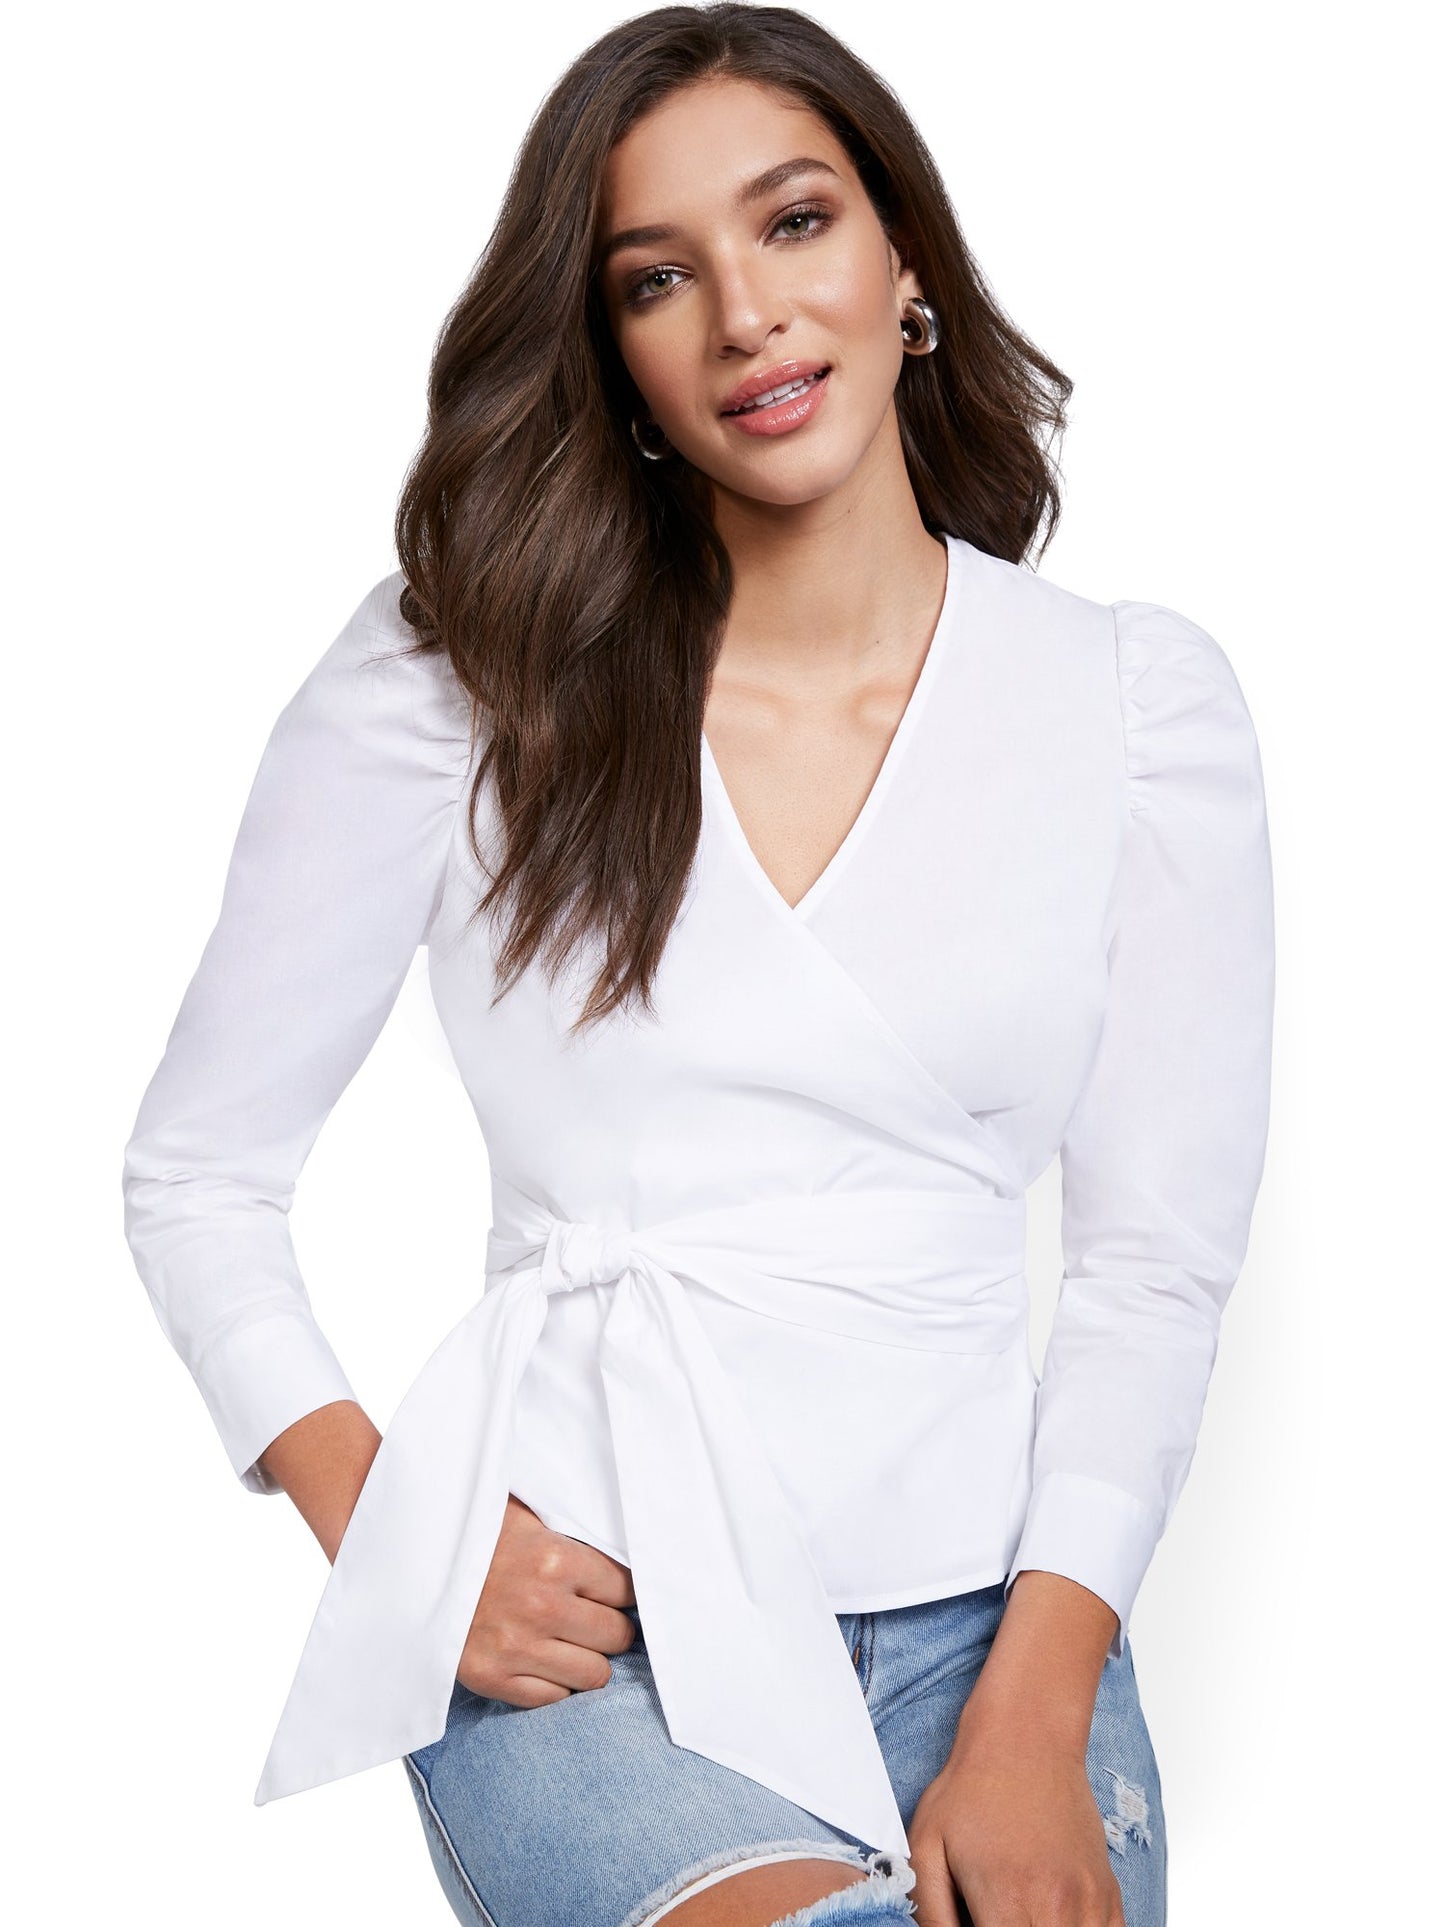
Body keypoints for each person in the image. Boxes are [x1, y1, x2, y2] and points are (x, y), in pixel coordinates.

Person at [119, 6, 1274, 1926]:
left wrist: (1030, 1716)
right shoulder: (460, 685)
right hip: (597, 1644)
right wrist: (395, 1531)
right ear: (618, 361)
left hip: (998, 1642)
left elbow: (1153, 1266)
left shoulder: (1131, 710)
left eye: (795, 222)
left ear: (904, 262)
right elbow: (197, 1177)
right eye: (658, 278)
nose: (746, 314)